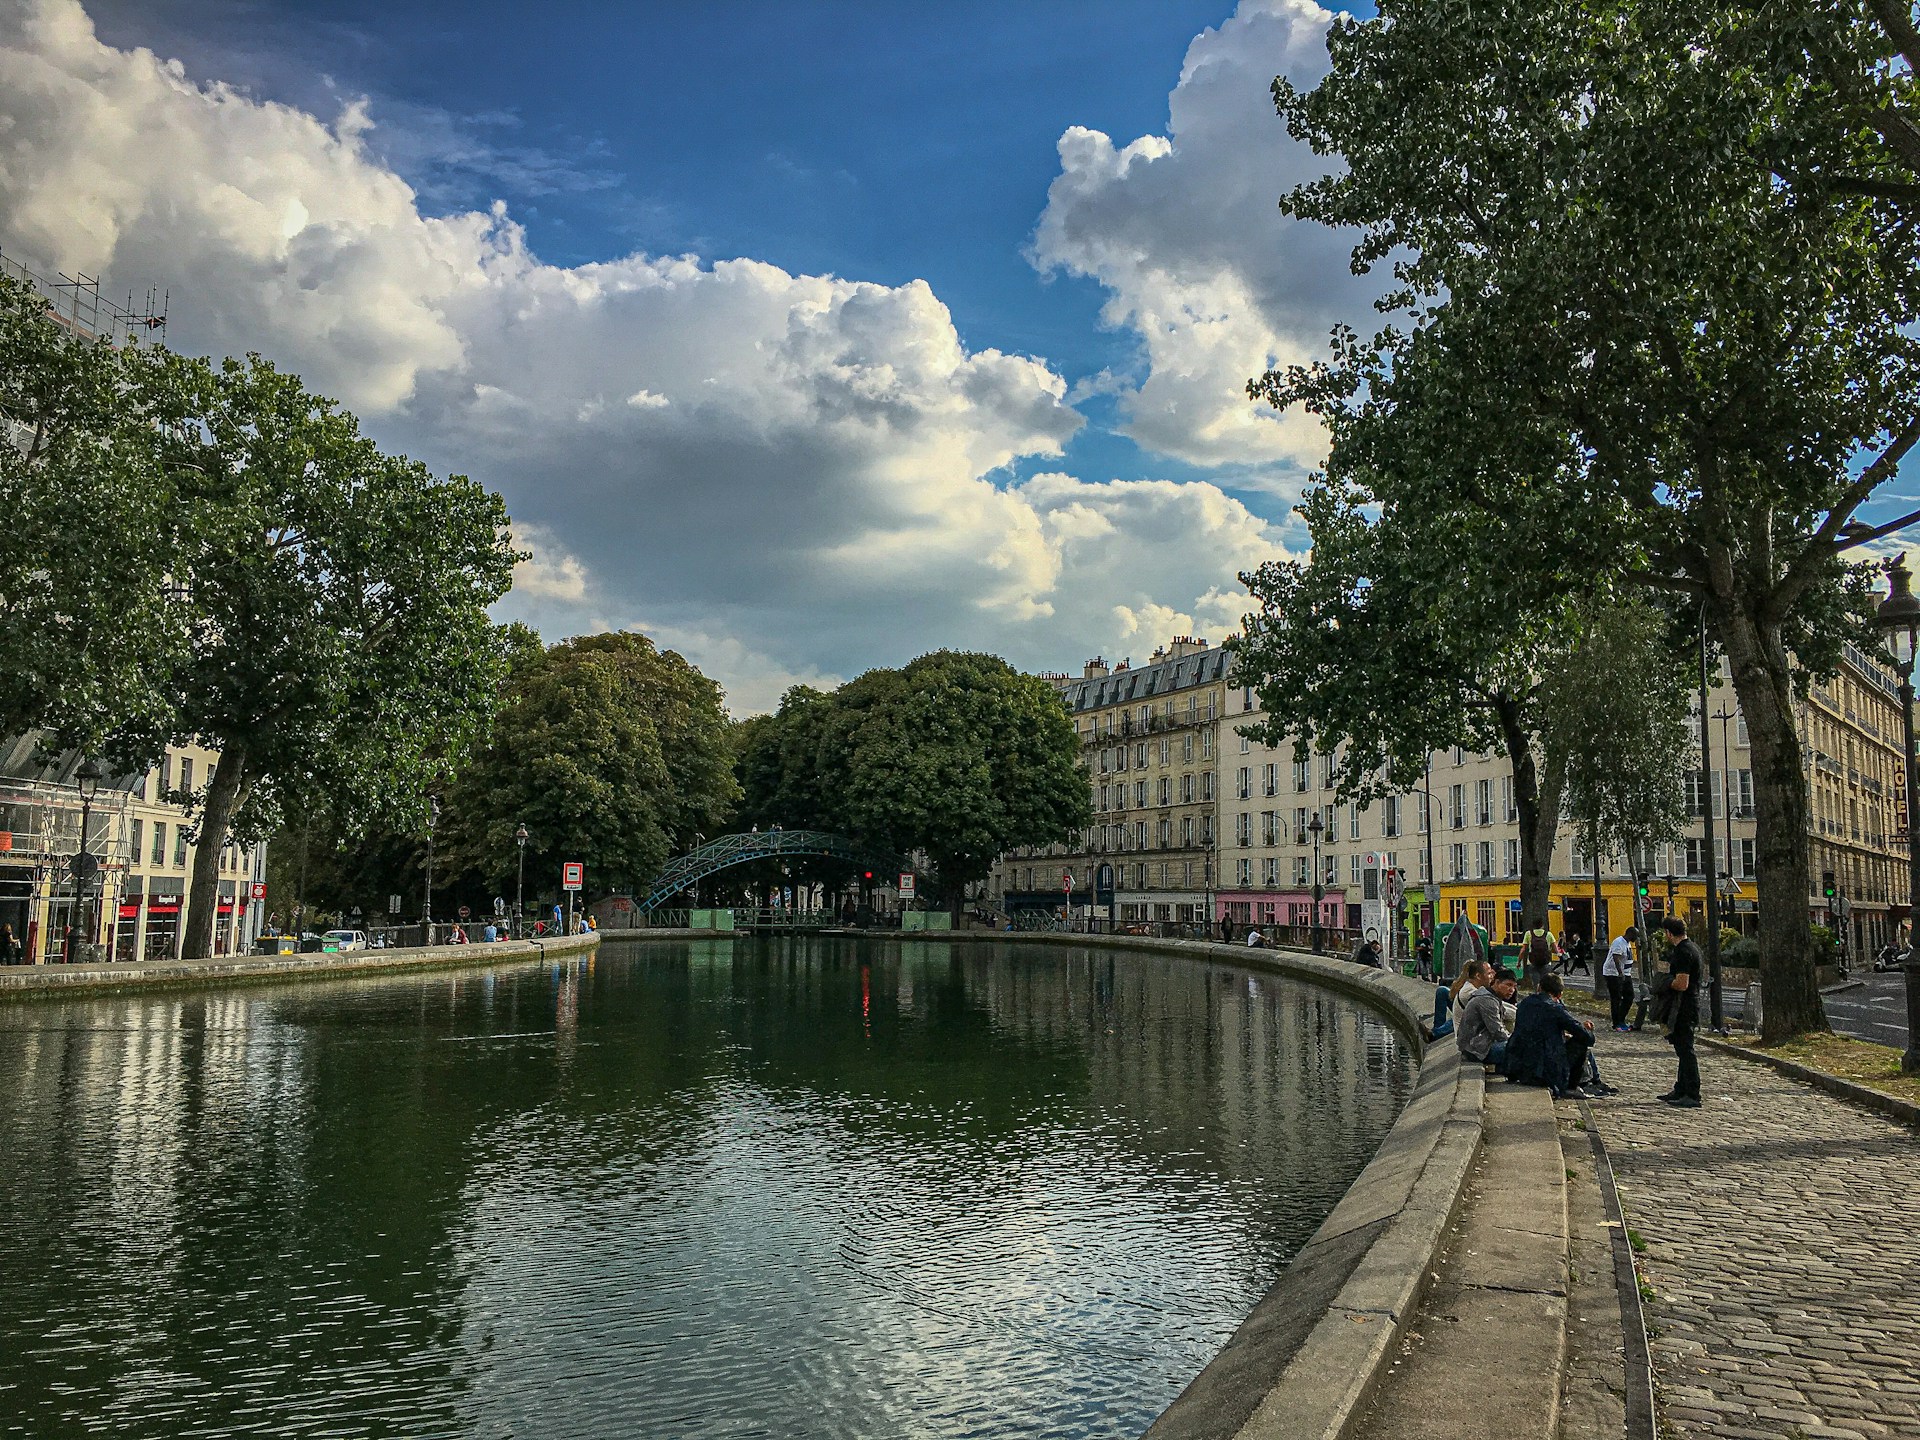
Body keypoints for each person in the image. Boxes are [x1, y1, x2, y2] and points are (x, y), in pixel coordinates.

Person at [1504, 973, 1598, 1099]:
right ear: (1559, 995)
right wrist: (1586, 1030)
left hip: (1519, 1067)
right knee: (1580, 1043)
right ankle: (1571, 1086)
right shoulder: (1555, 1008)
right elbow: (1587, 1038)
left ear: (1539, 988)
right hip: (1545, 1071)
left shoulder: (1524, 1004)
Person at [1659, 916, 1703, 1107]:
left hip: (1684, 1006)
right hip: (1687, 1004)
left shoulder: (1683, 952)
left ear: (1669, 933)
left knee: (1686, 1049)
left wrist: (1665, 982)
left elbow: (1682, 983)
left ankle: (1692, 1093)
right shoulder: (1692, 948)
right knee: (1681, 1047)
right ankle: (1681, 1088)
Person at [1456, 966, 1515, 1068]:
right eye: (1508, 985)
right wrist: (1514, 1040)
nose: (1512, 990)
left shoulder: (1492, 997)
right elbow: (1497, 1031)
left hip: (1474, 1046)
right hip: (1476, 1050)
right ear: (1496, 983)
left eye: (1514, 987)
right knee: (1521, 1048)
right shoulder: (1487, 1001)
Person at [1602, 926, 1638, 1031]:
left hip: (1626, 974)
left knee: (1629, 996)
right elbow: (1616, 957)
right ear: (1630, 933)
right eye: (1636, 935)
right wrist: (1620, 973)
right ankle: (1616, 1023)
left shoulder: (1627, 943)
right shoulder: (1618, 942)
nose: (1636, 938)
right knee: (1616, 998)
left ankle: (1621, 1019)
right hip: (1613, 974)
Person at [1517, 924, 1559, 990]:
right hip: (1546, 962)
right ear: (1542, 926)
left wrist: (1519, 962)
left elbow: (1523, 949)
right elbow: (1556, 950)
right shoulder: (1548, 934)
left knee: (1536, 982)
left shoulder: (1528, 933)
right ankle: (1544, 996)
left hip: (1532, 962)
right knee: (1545, 982)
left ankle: (1537, 993)